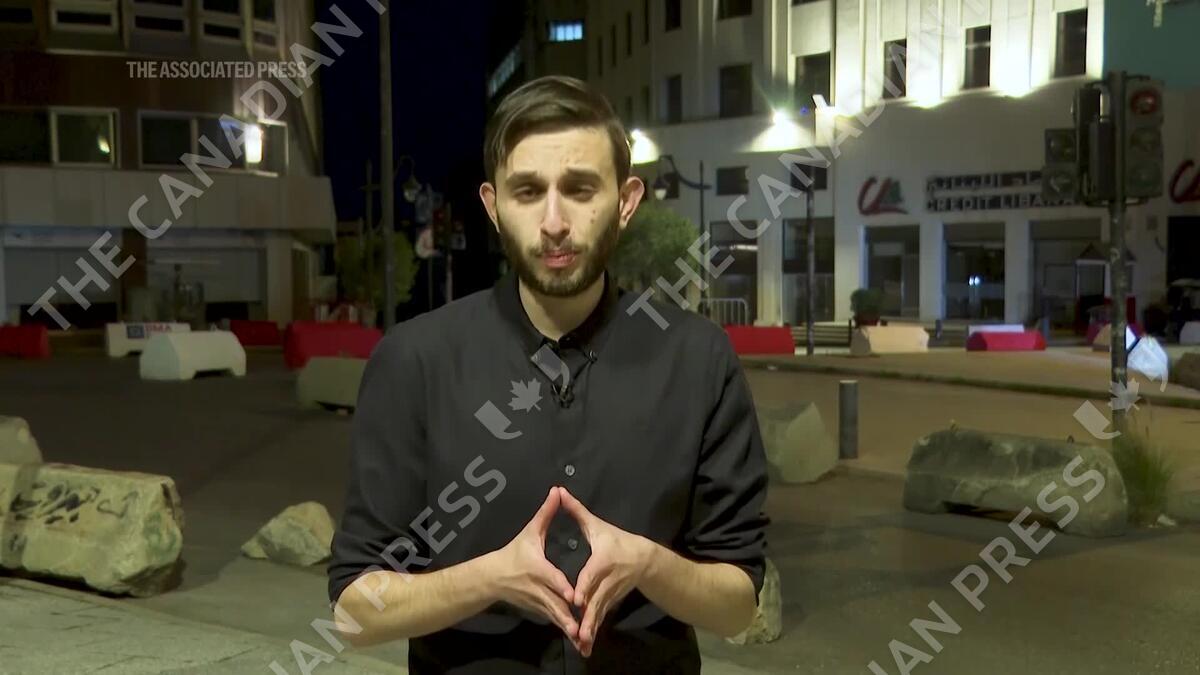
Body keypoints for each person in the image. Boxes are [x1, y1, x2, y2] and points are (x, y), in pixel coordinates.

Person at [327, 75, 770, 674]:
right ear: (493, 206)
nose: (554, 221)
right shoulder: (414, 361)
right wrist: (491, 577)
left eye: (580, 189)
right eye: (529, 191)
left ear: (626, 200)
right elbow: (355, 613)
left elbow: (737, 608)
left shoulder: (699, 359)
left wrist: (648, 564)